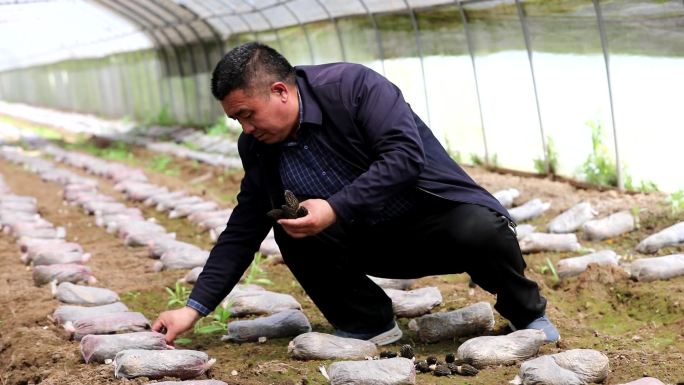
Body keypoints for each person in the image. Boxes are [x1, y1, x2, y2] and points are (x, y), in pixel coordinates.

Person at [152, 41, 560, 346]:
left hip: (436, 225)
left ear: (280, 91)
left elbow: (405, 156)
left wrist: (335, 206)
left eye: (247, 114)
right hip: (370, 242)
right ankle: (369, 325)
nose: (246, 128)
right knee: (286, 225)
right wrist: (194, 308)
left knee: (481, 227)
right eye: (235, 119)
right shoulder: (258, 147)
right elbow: (243, 229)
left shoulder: (352, 87)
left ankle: (527, 316)